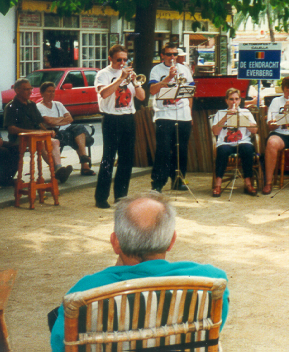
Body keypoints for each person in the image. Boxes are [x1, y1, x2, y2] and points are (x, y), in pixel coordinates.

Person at [48, 192, 230, 351]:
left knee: (54, 317)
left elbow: (62, 346)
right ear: (171, 241)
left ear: (115, 242)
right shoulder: (211, 281)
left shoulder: (84, 293)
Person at [94, 44, 145, 209]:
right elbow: (104, 93)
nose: (122, 62)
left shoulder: (130, 75)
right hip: (111, 119)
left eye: (125, 59)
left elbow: (142, 97)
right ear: (110, 59)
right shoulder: (103, 74)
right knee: (108, 158)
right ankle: (101, 198)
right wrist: (121, 78)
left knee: (126, 159)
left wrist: (136, 83)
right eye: (119, 60)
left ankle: (121, 197)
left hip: (128, 118)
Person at [3, 78, 69, 183]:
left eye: (31, 89)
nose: (30, 92)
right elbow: (12, 129)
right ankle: (56, 170)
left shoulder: (31, 104)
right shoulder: (11, 106)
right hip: (20, 138)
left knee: (55, 141)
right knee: (41, 143)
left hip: (36, 136)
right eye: (26, 89)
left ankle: (58, 168)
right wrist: (34, 133)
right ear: (17, 90)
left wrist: (46, 132)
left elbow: (39, 123)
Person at [148, 44, 194, 192]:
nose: (172, 57)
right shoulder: (156, 70)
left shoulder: (184, 69)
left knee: (181, 150)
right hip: (164, 114)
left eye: (175, 54)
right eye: (169, 54)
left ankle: (178, 180)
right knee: (163, 150)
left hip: (183, 114)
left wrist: (190, 113)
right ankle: (158, 183)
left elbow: (190, 92)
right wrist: (169, 77)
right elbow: (153, 90)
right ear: (162, 55)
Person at [37, 81, 95, 177]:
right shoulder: (39, 106)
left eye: (53, 91)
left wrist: (57, 120)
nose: (51, 94)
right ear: (42, 93)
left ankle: (84, 158)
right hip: (55, 132)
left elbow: (70, 119)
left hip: (68, 129)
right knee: (76, 135)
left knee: (79, 127)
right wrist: (62, 119)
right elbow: (49, 122)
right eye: (48, 91)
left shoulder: (58, 104)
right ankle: (84, 165)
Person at [211, 88, 259, 197]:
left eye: (236, 99)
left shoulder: (246, 112)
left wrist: (243, 119)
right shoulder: (220, 113)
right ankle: (218, 184)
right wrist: (225, 117)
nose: (234, 102)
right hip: (225, 143)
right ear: (226, 101)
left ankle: (248, 183)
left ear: (240, 100)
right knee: (222, 152)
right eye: (231, 99)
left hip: (243, 142)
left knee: (247, 150)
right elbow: (215, 131)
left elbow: (255, 130)